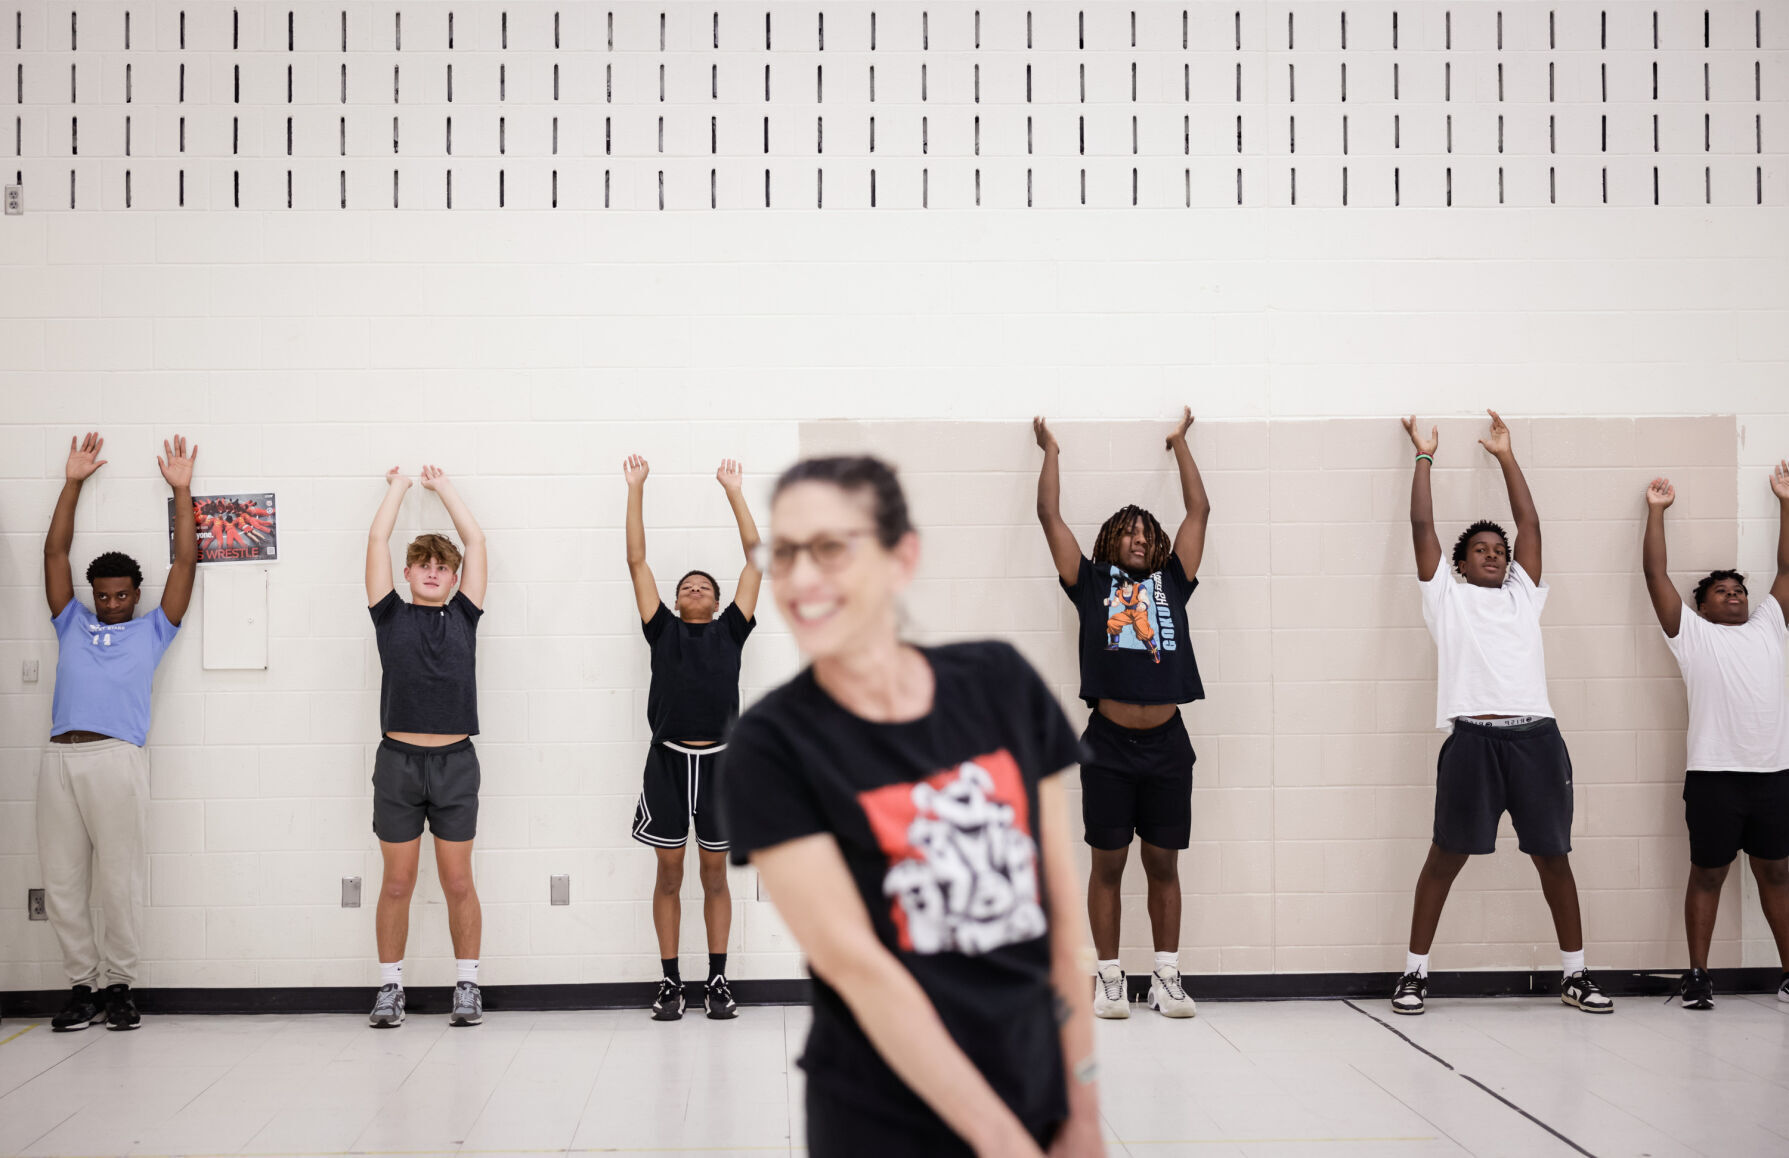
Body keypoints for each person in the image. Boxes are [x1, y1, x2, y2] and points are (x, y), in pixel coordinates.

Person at [721, 456, 1105, 1157]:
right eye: (783, 553)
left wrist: (1081, 1109)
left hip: (1035, 1085)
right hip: (883, 1121)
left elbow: (1060, 919)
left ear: (902, 557)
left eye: (831, 547)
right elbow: (856, 966)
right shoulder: (769, 747)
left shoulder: (1000, 684)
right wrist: (1000, 1143)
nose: (801, 578)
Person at [1393, 411, 1611, 1016]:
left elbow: (1530, 522)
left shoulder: (1522, 594)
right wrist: (1424, 456)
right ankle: (1413, 975)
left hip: (1536, 739)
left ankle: (1576, 974)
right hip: (1473, 740)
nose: (1492, 555)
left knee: (1553, 858)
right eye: (1480, 551)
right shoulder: (1447, 596)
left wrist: (1506, 456)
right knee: (1445, 857)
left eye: (1499, 551)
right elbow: (1421, 524)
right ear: (1461, 564)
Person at [1033, 408, 1209, 1020]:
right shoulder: (1090, 582)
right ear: (1113, 541)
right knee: (1108, 863)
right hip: (1107, 745)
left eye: (1145, 532)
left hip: (1167, 744)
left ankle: (1166, 976)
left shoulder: (1173, 582)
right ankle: (1109, 977)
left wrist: (1181, 444)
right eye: (1128, 532)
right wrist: (1050, 451)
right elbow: (1049, 516)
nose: (1138, 538)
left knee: (1163, 862)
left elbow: (1199, 513)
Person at [38, 432, 197, 1033]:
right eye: (101, 596)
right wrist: (73, 480)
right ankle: (82, 986)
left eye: (120, 596)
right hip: (60, 758)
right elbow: (54, 555)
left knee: (119, 878)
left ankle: (120, 987)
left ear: (135, 596)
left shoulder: (154, 630)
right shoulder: (69, 622)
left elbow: (185, 561)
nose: (109, 604)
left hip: (117, 758)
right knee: (62, 878)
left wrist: (181, 491)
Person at [1642, 463, 1789, 1009]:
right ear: (1701, 606)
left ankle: (1788, 973)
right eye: (1722, 591)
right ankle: (1698, 976)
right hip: (1714, 778)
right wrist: (1656, 513)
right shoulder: (1692, 635)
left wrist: (1785, 500)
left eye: (1739, 591)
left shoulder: (1770, 627)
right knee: (1708, 874)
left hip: (1773, 775)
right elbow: (1656, 577)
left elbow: (1788, 566)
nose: (1734, 596)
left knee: (1777, 871)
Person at [624, 454, 762, 1021]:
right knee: (670, 873)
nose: (696, 587)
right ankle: (669, 983)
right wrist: (636, 488)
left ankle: (718, 981)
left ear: (719, 598)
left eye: (706, 584)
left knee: (713, 875)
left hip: (722, 765)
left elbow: (758, 558)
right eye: (688, 585)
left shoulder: (732, 629)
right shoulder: (662, 630)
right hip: (668, 763)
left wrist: (733, 491)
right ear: (678, 602)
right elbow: (637, 560)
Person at [364, 464, 488, 1029]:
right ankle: (390, 989)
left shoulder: (465, 614)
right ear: (409, 573)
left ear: (455, 577)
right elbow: (376, 540)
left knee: (458, 880)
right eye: (425, 566)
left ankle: (468, 985)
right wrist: (396, 490)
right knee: (397, 882)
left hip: (456, 763)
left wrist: (443, 489)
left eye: (444, 567)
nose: (434, 572)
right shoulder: (389, 614)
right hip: (398, 764)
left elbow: (477, 540)